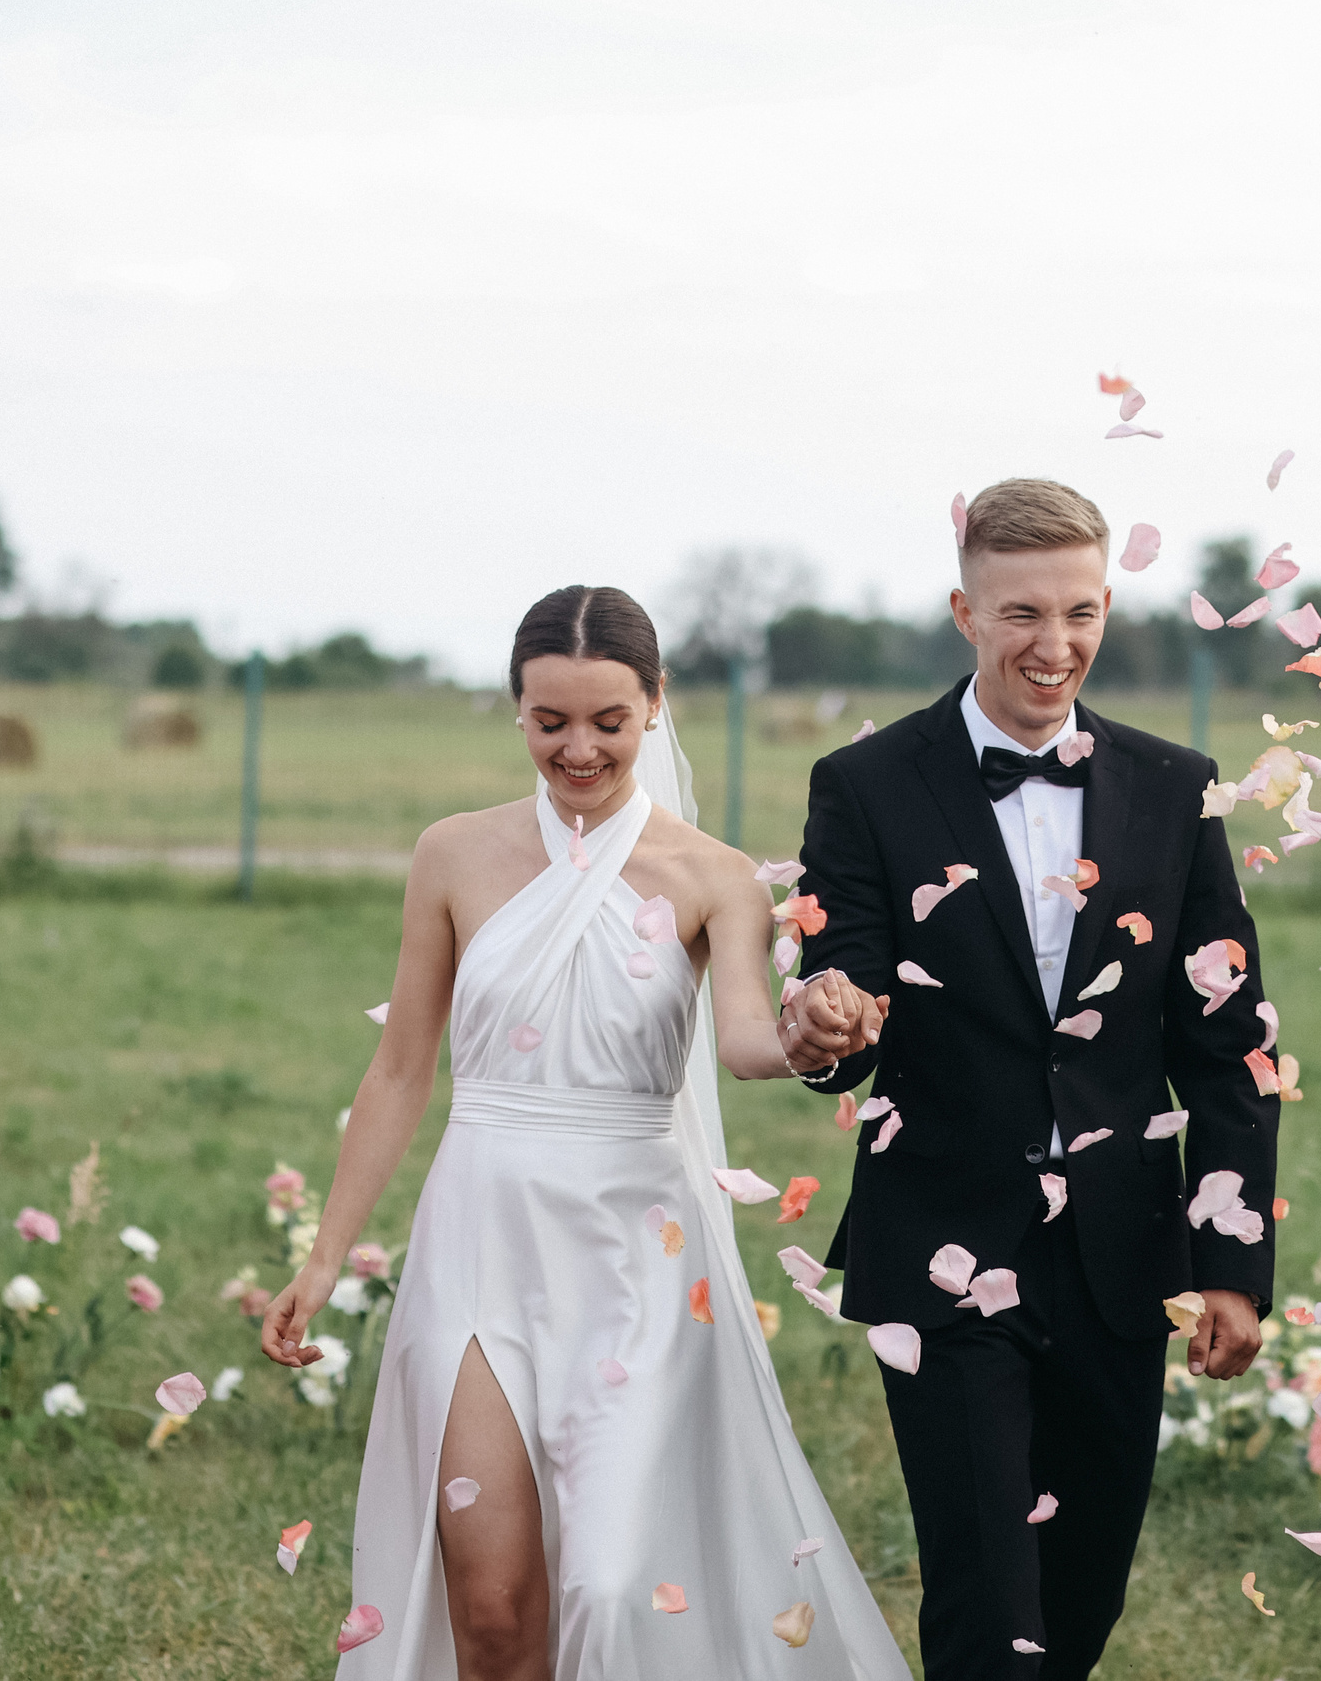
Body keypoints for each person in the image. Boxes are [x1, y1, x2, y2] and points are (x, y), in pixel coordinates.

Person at [259, 586, 911, 1681]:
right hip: (480, 1234)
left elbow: (750, 1039)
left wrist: (813, 1036)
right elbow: (402, 1067)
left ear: (654, 707)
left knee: (610, 1586)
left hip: (636, 1248)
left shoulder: (714, 878)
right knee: (494, 1598)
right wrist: (325, 1257)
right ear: (515, 712)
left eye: (608, 721)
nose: (578, 748)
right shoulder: (452, 855)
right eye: (549, 720)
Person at [793, 478, 1279, 1681]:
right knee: (985, 1600)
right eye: (1020, 614)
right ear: (965, 610)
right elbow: (842, 976)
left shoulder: (1176, 788)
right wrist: (831, 1019)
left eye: (1078, 613)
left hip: (1122, 1258)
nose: (1051, 646)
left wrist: (1232, 1266)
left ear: (1107, 606)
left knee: (1079, 1596)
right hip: (945, 1234)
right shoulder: (864, 785)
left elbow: (1226, 1049)